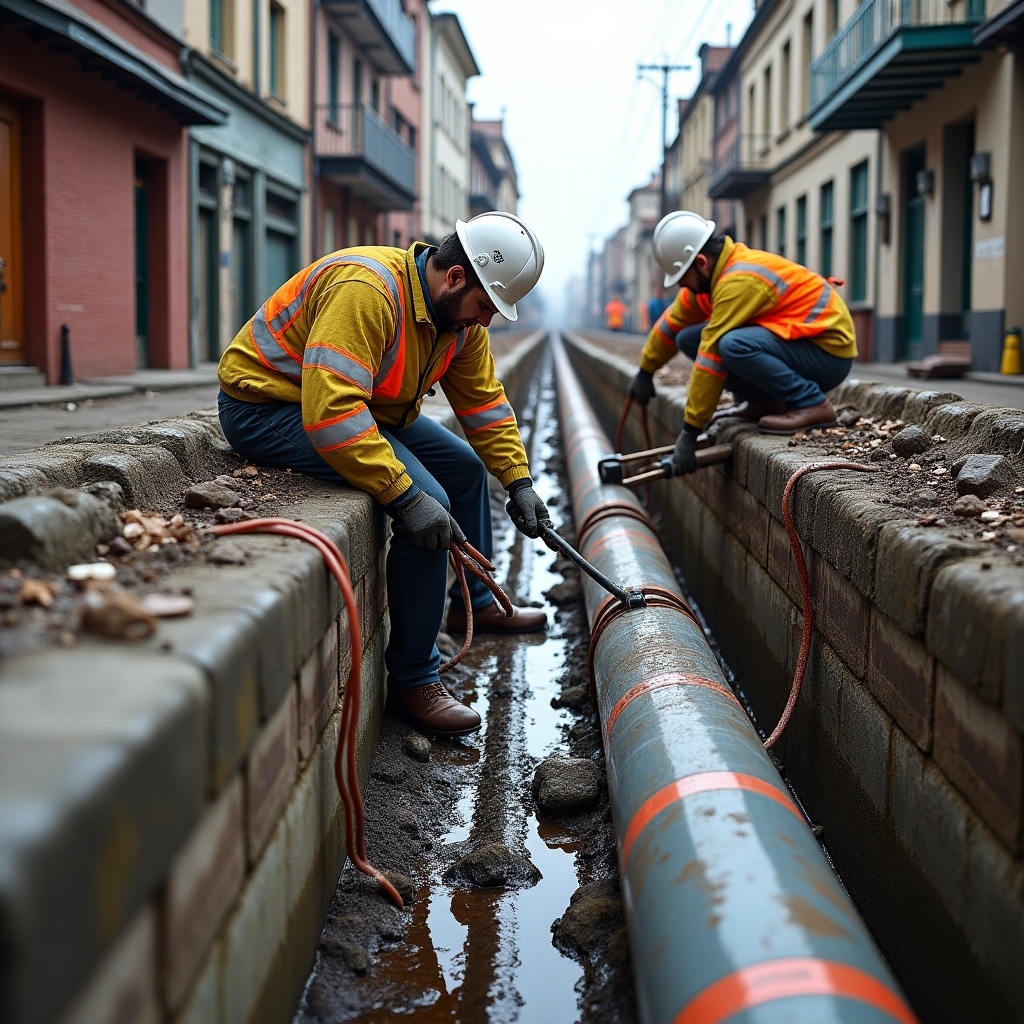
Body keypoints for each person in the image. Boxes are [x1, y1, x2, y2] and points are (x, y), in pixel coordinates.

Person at [216, 212, 552, 737]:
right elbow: (329, 414)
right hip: (268, 408)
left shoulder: (456, 322)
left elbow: (485, 404)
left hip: (362, 408)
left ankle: (478, 604)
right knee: (427, 502)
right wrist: (404, 494)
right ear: (456, 276)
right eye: (485, 307)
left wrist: (519, 481)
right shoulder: (367, 289)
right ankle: (414, 679)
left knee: (464, 470)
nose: (485, 321)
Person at [627, 211, 856, 476]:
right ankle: (764, 401)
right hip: (800, 343)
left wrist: (689, 433)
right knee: (688, 338)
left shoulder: (738, 280)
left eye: (681, 278)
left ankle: (813, 404)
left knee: (731, 345)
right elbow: (672, 324)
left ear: (700, 262)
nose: (681, 287)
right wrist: (645, 370)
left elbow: (711, 355)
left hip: (829, 351)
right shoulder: (707, 281)